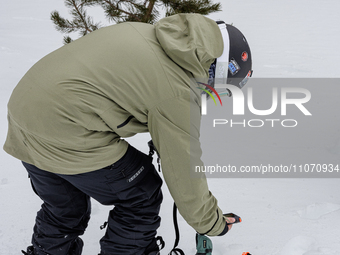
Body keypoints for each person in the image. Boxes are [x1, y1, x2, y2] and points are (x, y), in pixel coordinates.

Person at [4, 13, 252, 255]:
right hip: (65, 127)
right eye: (222, 89)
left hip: (24, 113)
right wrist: (211, 222)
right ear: (216, 69)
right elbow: (183, 170)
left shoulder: (149, 32)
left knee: (66, 205)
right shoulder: (177, 91)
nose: (212, 95)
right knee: (141, 193)